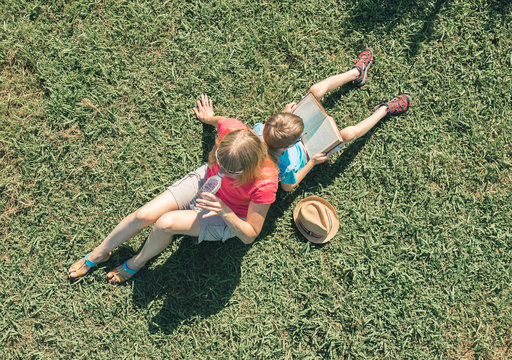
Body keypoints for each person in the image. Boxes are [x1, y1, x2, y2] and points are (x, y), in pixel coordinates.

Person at [68, 98, 278, 284]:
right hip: (205, 181)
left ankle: (136, 262)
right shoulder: (233, 131)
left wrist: (224, 210)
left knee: (165, 223)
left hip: (226, 214)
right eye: (218, 161)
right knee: (144, 214)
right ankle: (99, 253)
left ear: (248, 168)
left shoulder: (265, 182)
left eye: (230, 171)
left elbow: (250, 235)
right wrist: (209, 118)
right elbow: (221, 122)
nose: (221, 171)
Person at [253, 48, 412, 191]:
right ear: (288, 146)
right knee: (348, 134)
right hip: (310, 152)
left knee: (315, 90)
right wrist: (312, 163)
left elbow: (269, 127)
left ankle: (356, 73)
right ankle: (384, 110)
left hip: (285, 131)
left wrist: (285, 114)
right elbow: (288, 187)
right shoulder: (283, 168)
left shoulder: (260, 130)